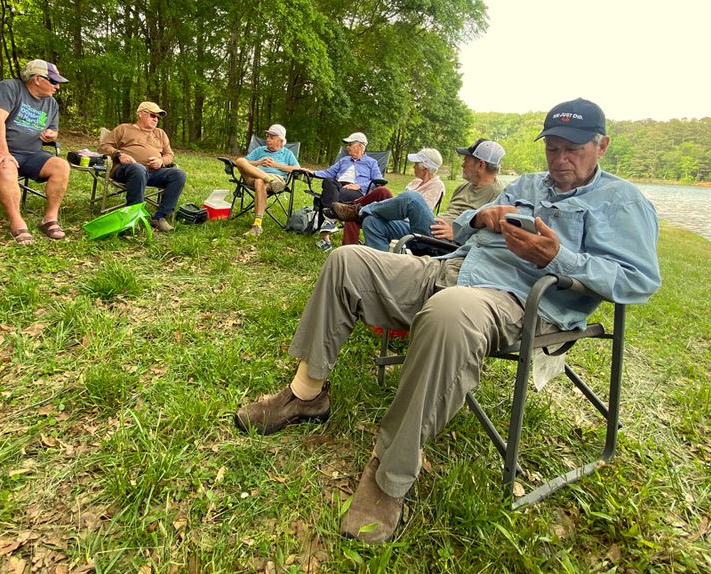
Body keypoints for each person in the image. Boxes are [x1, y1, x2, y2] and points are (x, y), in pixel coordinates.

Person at [234, 98, 662, 544]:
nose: (560, 158)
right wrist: (481, 216)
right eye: (552, 148)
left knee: (449, 310)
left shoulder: (623, 202)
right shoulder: (530, 183)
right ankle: (306, 394)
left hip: (518, 302)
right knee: (348, 261)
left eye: (572, 148)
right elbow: (458, 230)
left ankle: (389, 478)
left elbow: (640, 281)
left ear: (602, 145)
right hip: (453, 268)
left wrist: (561, 258)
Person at [328, 141, 505, 251]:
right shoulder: (462, 188)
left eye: (466, 160)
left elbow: (493, 236)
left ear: (480, 165)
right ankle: (380, 266)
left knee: (412, 198)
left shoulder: (499, 195)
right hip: (432, 228)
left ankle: (358, 211)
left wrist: (459, 232)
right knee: (372, 222)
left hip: (450, 242)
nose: (462, 164)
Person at [0, 59, 71, 245]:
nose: (57, 87)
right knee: (5, 164)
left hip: (30, 153)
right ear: (37, 79)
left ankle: (49, 220)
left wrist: (51, 134)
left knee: (61, 166)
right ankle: (17, 222)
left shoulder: (51, 104)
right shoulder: (8, 88)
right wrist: (2, 151)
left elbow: (54, 130)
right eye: (54, 81)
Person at [98, 102, 187, 232]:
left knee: (179, 174)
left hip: (153, 172)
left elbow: (170, 155)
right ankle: (132, 217)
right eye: (152, 115)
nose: (156, 119)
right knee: (138, 169)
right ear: (140, 114)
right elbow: (103, 147)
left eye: (157, 117)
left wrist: (161, 161)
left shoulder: (160, 133)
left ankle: (160, 217)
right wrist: (119, 154)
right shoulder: (124, 129)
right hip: (127, 171)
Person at [308, 132, 382, 251]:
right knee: (328, 182)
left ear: (360, 146)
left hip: (354, 192)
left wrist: (360, 185)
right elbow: (328, 173)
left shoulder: (371, 162)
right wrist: (312, 172)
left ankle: (326, 233)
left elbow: (379, 180)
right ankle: (329, 221)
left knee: (328, 194)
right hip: (337, 186)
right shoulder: (344, 160)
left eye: (350, 144)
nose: (347, 147)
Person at [233, 124, 300, 237]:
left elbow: (297, 168)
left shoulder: (287, 153)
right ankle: (266, 178)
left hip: (276, 179)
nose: (268, 139)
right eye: (267, 136)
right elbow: (244, 162)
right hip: (254, 177)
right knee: (240, 161)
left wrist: (276, 165)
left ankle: (257, 225)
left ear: (280, 140)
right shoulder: (260, 150)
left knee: (260, 182)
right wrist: (259, 162)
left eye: (271, 137)